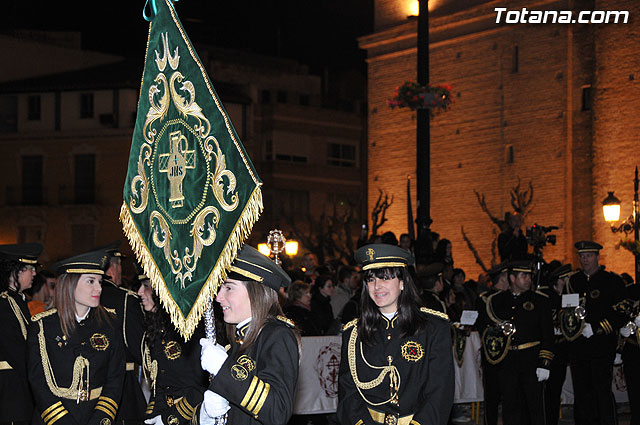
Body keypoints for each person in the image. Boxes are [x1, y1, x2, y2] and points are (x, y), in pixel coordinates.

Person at [338, 244, 454, 425]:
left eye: (385, 278)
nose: (377, 286)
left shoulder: (433, 328)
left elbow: (440, 393)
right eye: (371, 279)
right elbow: (348, 395)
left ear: (402, 282)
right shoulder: (354, 333)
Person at [196, 244, 301, 425]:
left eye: (229, 288)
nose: (218, 297)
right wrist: (206, 414)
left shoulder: (277, 336)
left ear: (255, 292)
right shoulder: (236, 340)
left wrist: (224, 370)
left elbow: (278, 411)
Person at [28, 250, 125, 425]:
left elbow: (115, 379)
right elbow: (38, 383)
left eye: (100, 282)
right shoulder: (42, 326)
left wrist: (100, 419)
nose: (99, 288)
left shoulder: (110, 323)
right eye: (90, 281)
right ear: (70, 284)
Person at [475, 261, 554, 425]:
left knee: (535, 407)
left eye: (529, 276)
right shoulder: (496, 301)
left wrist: (545, 363)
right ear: (512, 278)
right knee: (510, 406)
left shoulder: (540, 301)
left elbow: (548, 334)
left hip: (531, 360)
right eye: (524, 276)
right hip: (507, 361)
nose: (528, 280)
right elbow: (487, 328)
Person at [563, 241, 627, 425]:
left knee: (601, 391)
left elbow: (620, 313)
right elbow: (567, 309)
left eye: (589, 256)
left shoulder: (611, 281)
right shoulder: (573, 281)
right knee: (582, 393)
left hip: (601, 345)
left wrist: (597, 328)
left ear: (598, 257)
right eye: (582, 256)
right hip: (579, 346)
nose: (585, 260)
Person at [135, 269, 208, 425]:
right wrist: (151, 416)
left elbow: (202, 386)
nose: (139, 292)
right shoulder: (157, 328)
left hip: (192, 416)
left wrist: (168, 419)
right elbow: (160, 385)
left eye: (147, 285)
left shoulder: (192, 330)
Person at [93, 241, 147, 424]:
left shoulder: (82, 296)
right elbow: (139, 348)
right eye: (119, 265)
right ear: (112, 267)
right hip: (123, 389)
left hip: (90, 386)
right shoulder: (126, 299)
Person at [0, 242, 42, 425]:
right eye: (30, 268)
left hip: (18, 387)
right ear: (15, 271)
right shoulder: (4, 303)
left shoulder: (17, 300)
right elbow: (16, 349)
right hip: (10, 389)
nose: (34, 273)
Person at [474, 261, 508, 425]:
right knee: (492, 396)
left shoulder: (509, 298)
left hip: (508, 353)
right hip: (492, 352)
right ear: (503, 278)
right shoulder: (486, 299)